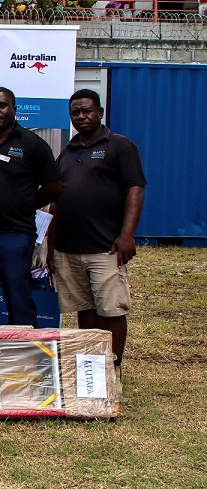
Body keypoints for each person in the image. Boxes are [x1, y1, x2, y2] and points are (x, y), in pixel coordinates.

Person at [47, 89, 145, 375]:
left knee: (111, 310)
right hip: (69, 248)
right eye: (75, 113)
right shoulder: (67, 152)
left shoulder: (120, 146)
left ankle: (113, 370)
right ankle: (91, 370)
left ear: (100, 113)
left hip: (106, 247)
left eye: (87, 111)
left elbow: (135, 190)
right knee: (84, 309)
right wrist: (51, 247)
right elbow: (57, 202)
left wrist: (127, 234)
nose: (81, 116)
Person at [0, 87, 62, 326]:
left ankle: (23, 358)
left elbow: (54, 187)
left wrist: (25, 204)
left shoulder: (32, 144)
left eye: (2, 105)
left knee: (19, 301)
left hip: (16, 237)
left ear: (14, 110)